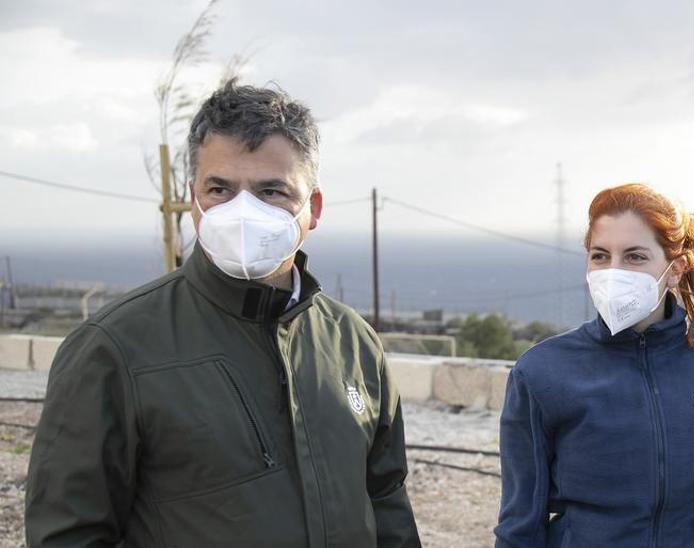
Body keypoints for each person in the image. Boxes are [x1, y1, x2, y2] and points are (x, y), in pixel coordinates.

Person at [25, 81, 421, 547]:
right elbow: (68, 534)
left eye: (271, 191)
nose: (243, 212)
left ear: (312, 208)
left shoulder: (354, 344)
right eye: (220, 189)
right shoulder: (113, 348)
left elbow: (386, 501)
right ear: (194, 199)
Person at [495, 183, 694, 547]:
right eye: (600, 256)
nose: (613, 271)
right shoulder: (542, 372)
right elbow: (520, 525)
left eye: (634, 257)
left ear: (675, 268)